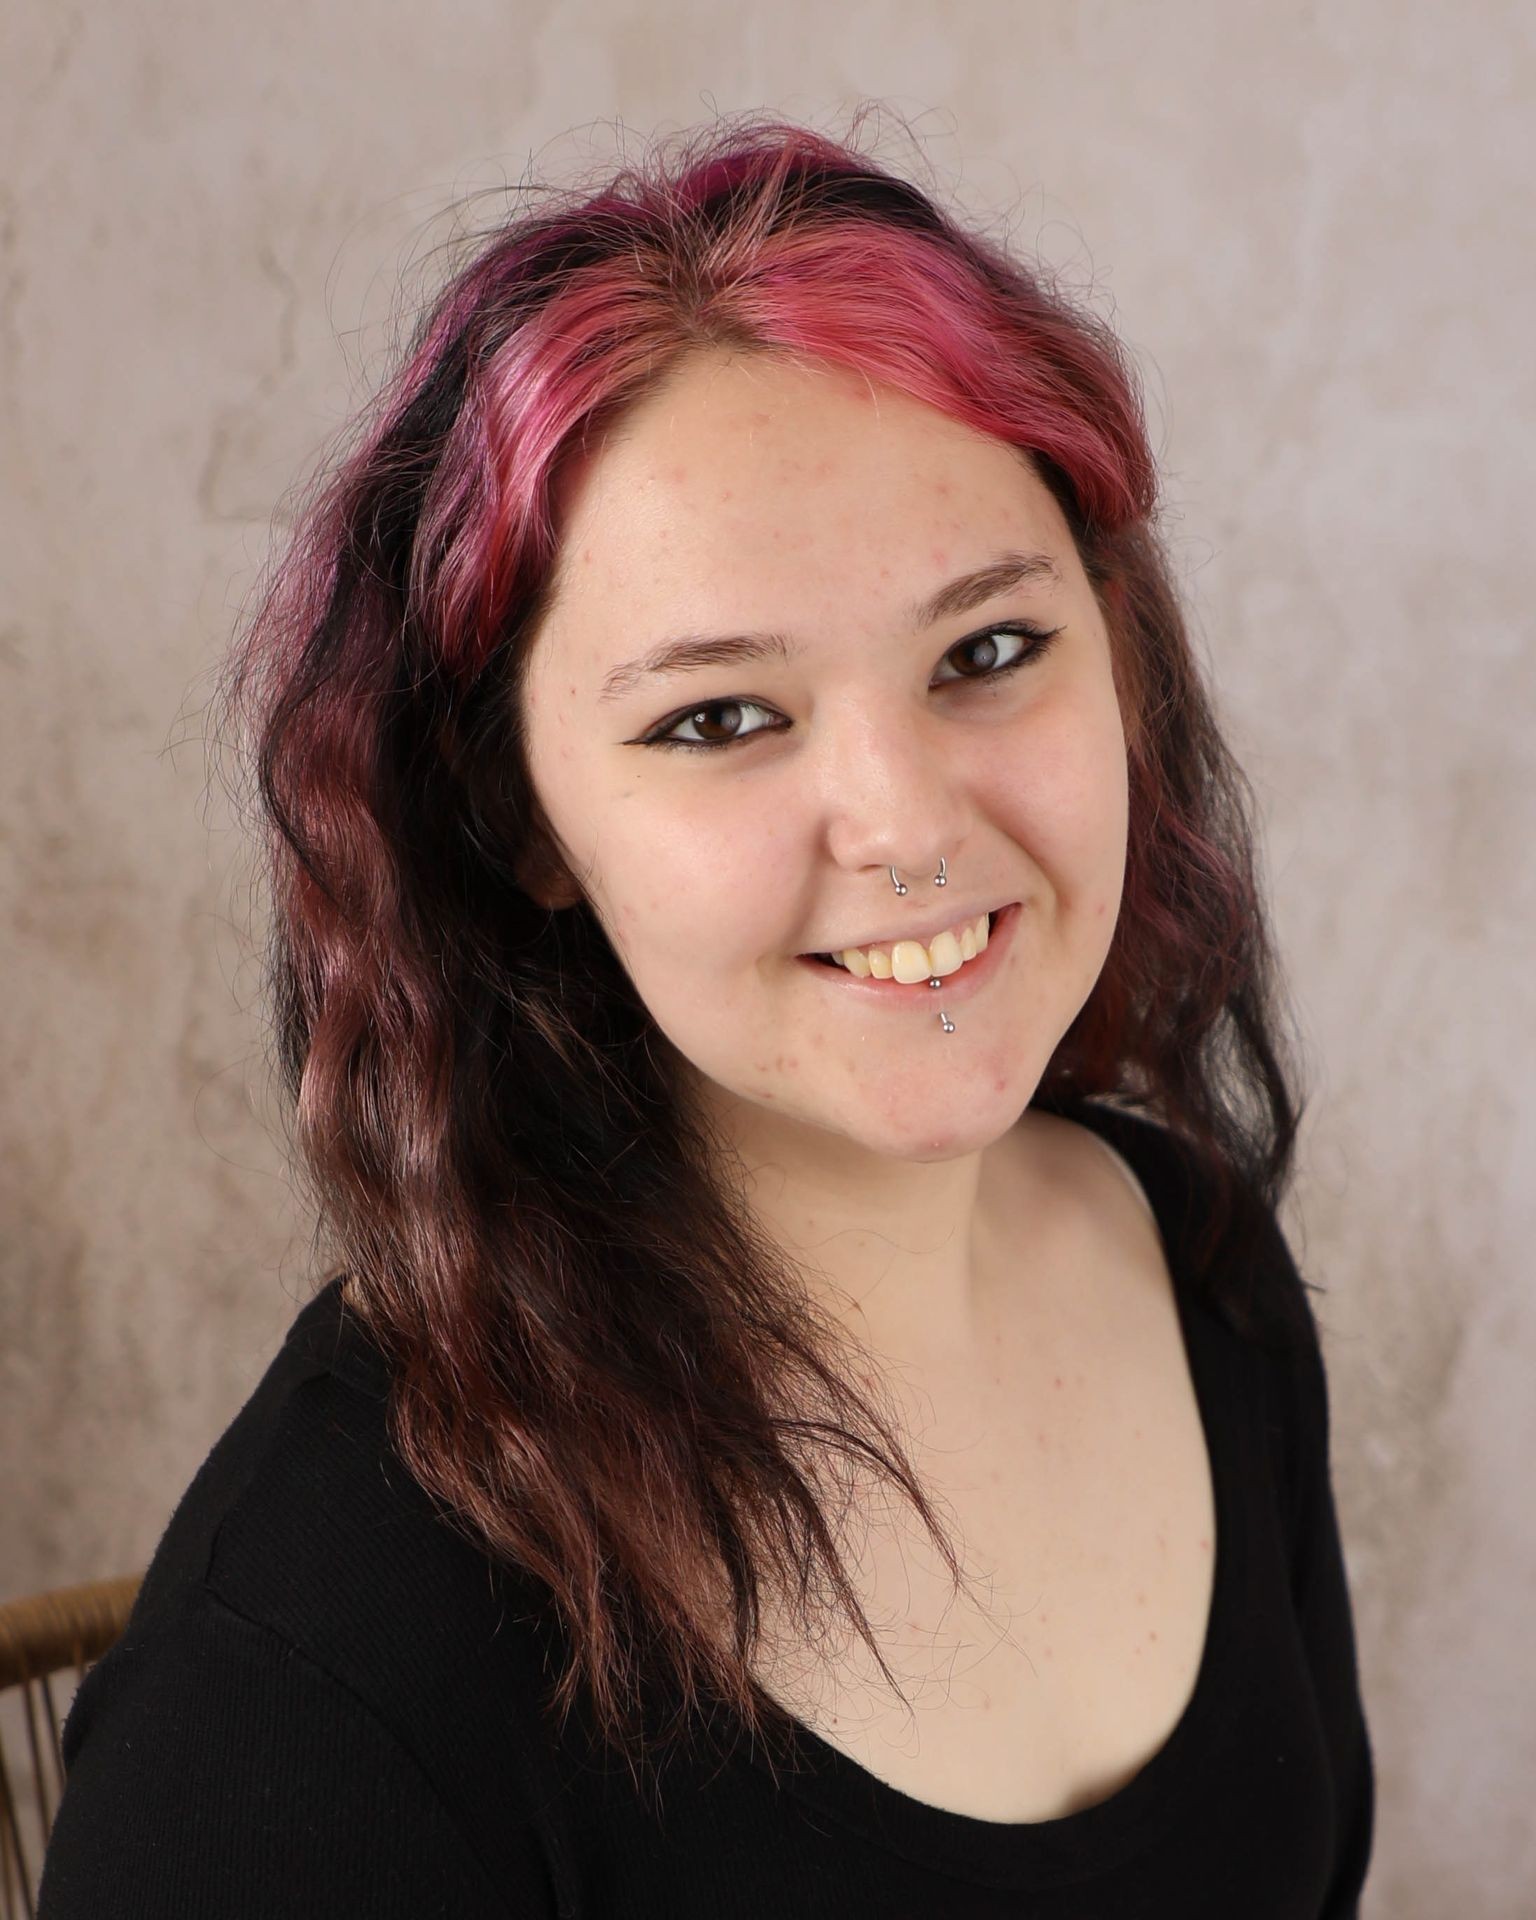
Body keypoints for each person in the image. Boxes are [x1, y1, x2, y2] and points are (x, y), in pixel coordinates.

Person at [39, 113, 1375, 1917]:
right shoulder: (311, 1674)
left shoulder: (1201, 1263)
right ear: (518, 824)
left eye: (988, 651)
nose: (908, 821)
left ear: (1118, 659)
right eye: (723, 718)